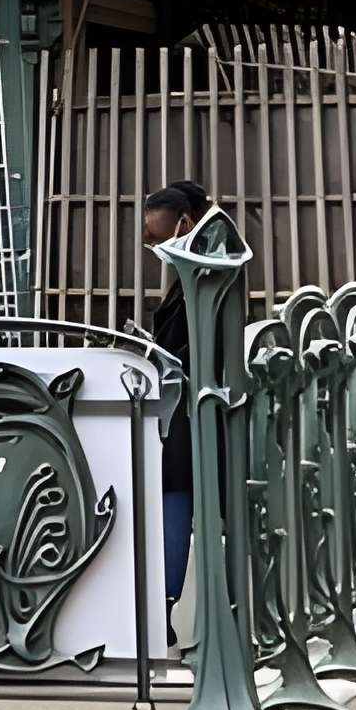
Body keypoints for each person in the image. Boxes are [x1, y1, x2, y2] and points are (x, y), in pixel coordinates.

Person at [140, 181, 212, 602]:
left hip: (188, 410)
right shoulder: (195, 273)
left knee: (175, 495)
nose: (154, 246)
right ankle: (167, 597)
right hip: (183, 408)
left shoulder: (203, 276)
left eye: (158, 235)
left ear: (184, 224)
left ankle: (168, 596)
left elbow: (196, 345)